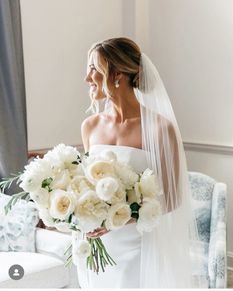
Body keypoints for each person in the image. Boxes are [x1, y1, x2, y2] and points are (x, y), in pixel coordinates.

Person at [79, 37, 202, 288]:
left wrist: (119, 220)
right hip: (94, 243)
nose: (87, 78)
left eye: (94, 69)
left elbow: (171, 198)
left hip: (137, 247)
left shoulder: (159, 128)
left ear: (118, 74)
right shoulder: (90, 127)